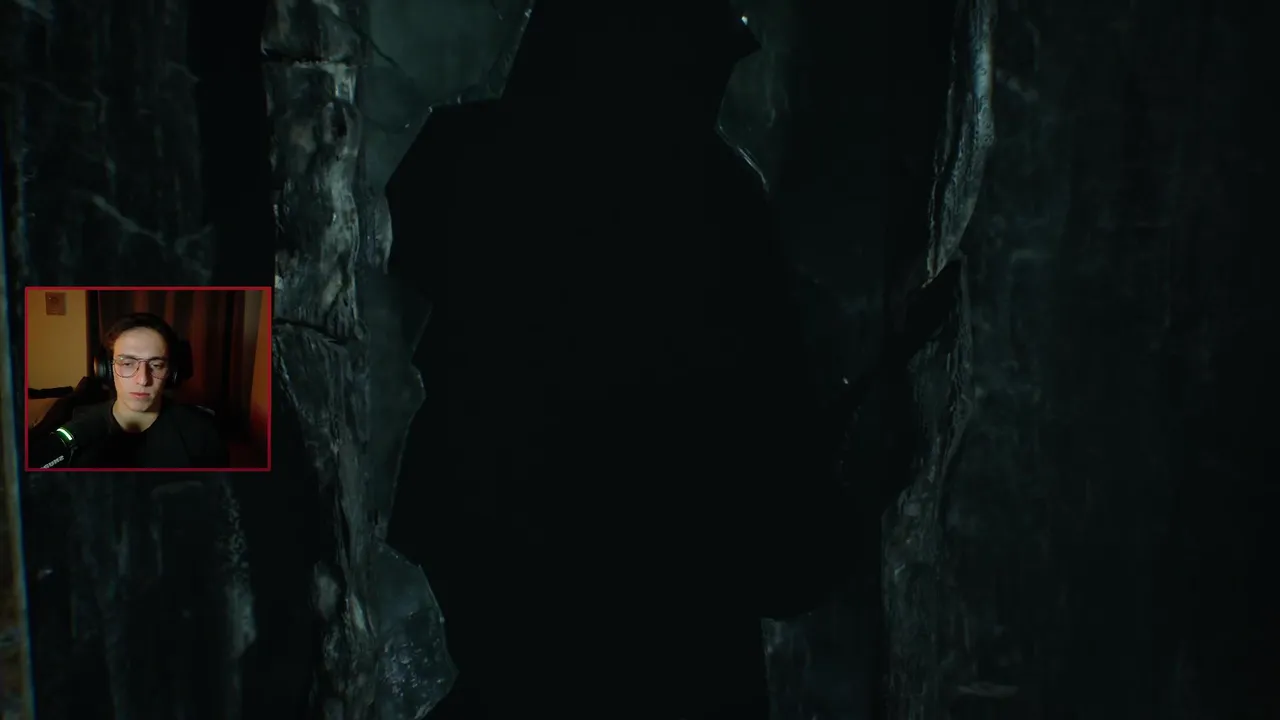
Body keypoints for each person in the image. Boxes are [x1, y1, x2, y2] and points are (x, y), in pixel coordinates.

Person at [66, 312, 229, 469]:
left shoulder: (201, 432)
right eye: (127, 364)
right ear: (106, 369)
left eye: (156, 365)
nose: (143, 380)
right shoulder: (76, 431)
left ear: (172, 373)